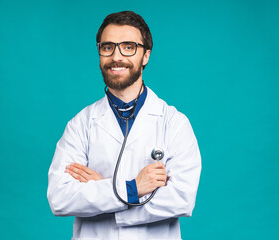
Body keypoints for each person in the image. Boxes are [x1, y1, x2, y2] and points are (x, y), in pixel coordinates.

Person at [47, 11, 201, 240]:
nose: (116, 56)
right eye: (108, 47)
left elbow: (181, 199)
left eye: (128, 47)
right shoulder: (80, 124)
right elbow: (60, 198)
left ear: (146, 55)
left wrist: (104, 191)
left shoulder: (174, 123)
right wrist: (132, 188)